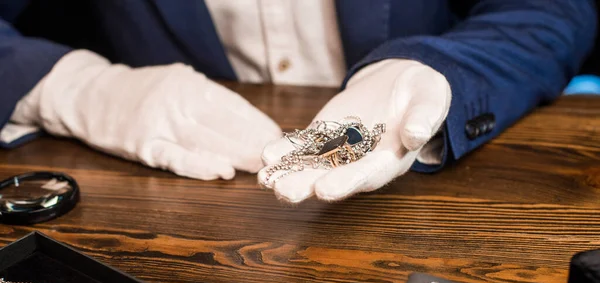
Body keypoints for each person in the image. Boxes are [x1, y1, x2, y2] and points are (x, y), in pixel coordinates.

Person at [0, 1, 596, 203]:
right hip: (184, 185)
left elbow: (549, 8)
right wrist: (70, 87)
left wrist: (436, 71)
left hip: (434, 192)